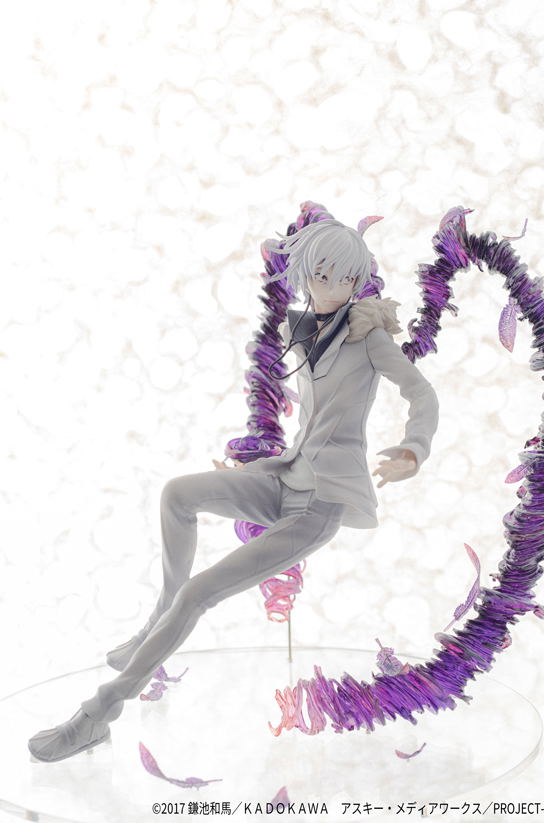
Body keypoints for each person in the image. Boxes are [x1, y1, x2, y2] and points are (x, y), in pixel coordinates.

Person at [28, 218, 439, 762]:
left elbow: (421, 393)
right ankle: (153, 626)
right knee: (177, 494)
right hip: (284, 476)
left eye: (342, 278)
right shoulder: (304, 330)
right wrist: (255, 469)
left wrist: (413, 449)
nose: (330, 288)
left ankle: (96, 716)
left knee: (198, 594)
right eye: (319, 275)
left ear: (357, 280)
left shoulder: (369, 339)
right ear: (305, 275)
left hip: (321, 503)